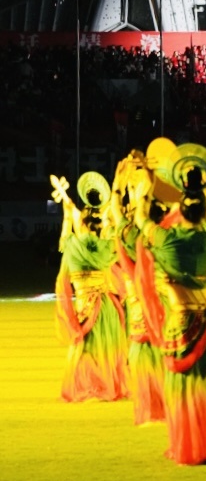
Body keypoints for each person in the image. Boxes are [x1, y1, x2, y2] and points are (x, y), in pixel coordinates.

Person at [135, 146, 206, 465]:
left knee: (183, 389)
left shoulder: (167, 241)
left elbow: (140, 218)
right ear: (205, 211)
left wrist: (146, 184)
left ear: (180, 210)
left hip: (179, 324)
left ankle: (189, 445)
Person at [51, 171, 129, 403]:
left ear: (81, 224)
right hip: (106, 305)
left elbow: (65, 238)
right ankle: (107, 385)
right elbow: (116, 239)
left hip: (85, 303)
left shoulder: (72, 246)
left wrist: (68, 215)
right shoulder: (106, 246)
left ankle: (87, 385)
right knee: (108, 347)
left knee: (84, 347)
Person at [108, 152, 166, 426]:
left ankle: (149, 405)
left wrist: (118, 183)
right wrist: (149, 179)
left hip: (136, 296)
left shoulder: (129, 234)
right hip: (162, 296)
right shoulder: (163, 236)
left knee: (140, 347)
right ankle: (167, 402)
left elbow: (115, 211)